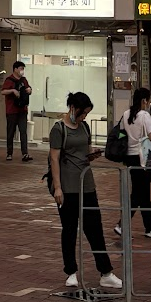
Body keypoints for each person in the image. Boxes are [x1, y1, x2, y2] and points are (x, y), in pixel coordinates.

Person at [49, 91, 121, 290]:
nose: (84, 117)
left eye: (87, 114)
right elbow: (54, 158)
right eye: (83, 113)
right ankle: (71, 272)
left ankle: (105, 272)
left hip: (87, 184)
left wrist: (93, 154)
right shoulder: (58, 129)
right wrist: (57, 188)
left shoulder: (84, 127)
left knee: (95, 229)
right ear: (73, 108)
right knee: (69, 230)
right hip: (67, 186)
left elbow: (86, 150)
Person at [113, 85, 151, 239]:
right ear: (144, 100)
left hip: (130, 157)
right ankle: (122, 224)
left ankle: (149, 228)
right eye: (149, 101)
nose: (149, 104)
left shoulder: (126, 114)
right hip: (144, 158)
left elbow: (121, 134)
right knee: (139, 194)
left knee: (143, 194)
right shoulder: (145, 115)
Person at [2, 60, 33, 162]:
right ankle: (9, 153)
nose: (22, 71)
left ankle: (25, 153)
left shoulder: (24, 80)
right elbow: (3, 91)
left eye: (23, 69)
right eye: (21, 68)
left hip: (22, 110)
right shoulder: (9, 80)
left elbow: (29, 89)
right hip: (12, 110)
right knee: (11, 132)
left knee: (23, 132)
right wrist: (12, 90)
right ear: (15, 69)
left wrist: (29, 90)